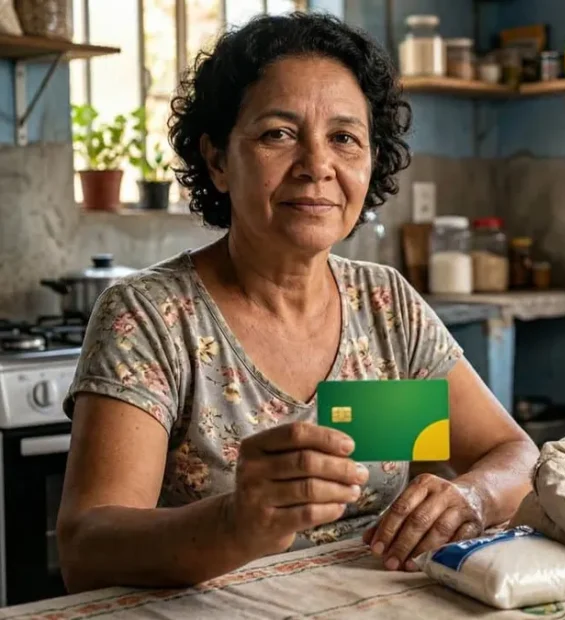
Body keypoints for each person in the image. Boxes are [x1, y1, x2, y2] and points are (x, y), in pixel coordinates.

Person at [56, 12, 538, 593]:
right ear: (216, 161)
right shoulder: (150, 316)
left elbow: (511, 452)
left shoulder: (385, 306)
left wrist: (473, 494)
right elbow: (87, 548)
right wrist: (238, 524)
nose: (317, 166)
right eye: (277, 134)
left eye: (344, 138)